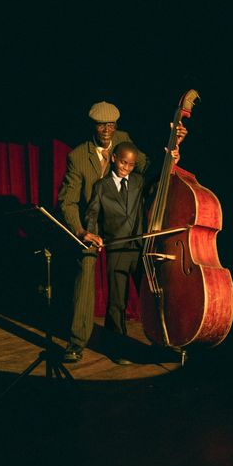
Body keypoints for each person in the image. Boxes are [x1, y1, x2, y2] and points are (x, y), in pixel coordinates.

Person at [57, 100, 186, 363]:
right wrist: (81, 231)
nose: (107, 130)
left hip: (125, 226)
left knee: (149, 280)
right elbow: (68, 201)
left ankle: (163, 338)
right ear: (93, 125)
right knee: (86, 269)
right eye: (101, 125)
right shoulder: (78, 156)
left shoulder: (124, 139)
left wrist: (173, 151)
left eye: (111, 125)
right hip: (93, 222)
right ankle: (77, 342)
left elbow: (148, 170)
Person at [83, 141, 147, 364]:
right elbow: (92, 214)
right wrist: (92, 233)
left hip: (140, 248)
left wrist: (173, 157)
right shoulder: (101, 186)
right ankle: (118, 348)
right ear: (113, 158)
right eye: (123, 162)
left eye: (131, 165)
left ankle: (162, 341)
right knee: (117, 302)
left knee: (151, 296)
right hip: (116, 249)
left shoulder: (139, 181)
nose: (126, 168)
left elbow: (160, 183)